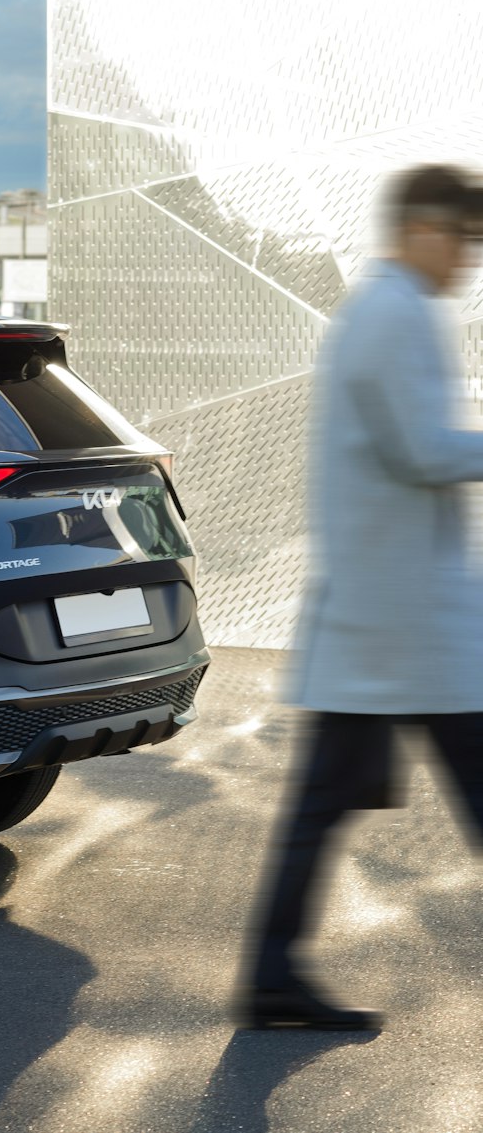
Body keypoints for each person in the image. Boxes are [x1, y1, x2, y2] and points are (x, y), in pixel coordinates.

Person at [240, 163, 483, 1030]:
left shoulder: (392, 309)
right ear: (422, 228)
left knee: (320, 805)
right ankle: (270, 976)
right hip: (406, 623)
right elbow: (423, 448)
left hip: (387, 620)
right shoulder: (392, 313)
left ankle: (272, 976)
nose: (469, 257)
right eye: (463, 237)